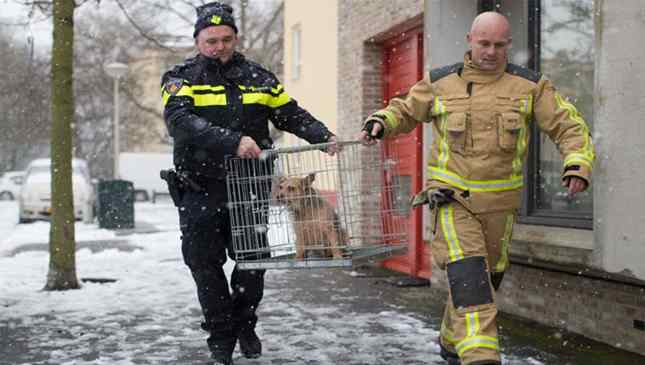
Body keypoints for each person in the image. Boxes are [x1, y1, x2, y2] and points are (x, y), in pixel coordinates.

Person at [359, 12, 594, 365]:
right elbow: (405, 109)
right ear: (470, 40)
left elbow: (568, 126)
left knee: (484, 282)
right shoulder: (440, 83)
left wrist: (577, 163)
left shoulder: (530, 86)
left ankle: (451, 342)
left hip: (500, 208)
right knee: (470, 279)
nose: (491, 52)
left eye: (499, 45)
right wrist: (381, 121)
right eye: (484, 43)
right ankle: (481, 356)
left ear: (508, 45)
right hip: (453, 200)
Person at [160, 2, 339, 364]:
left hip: (249, 187)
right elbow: (179, 120)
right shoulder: (180, 78)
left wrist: (322, 135)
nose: (219, 46)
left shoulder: (259, 77)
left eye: (226, 39)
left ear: (236, 38)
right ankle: (221, 337)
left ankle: (244, 323)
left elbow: (290, 113)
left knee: (253, 262)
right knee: (205, 265)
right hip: (200, 187)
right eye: (211, 40)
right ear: (198, 40)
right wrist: (232, 140)